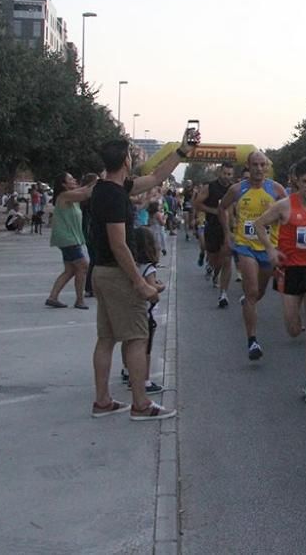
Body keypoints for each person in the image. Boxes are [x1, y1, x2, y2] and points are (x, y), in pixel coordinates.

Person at [88, 128, 197, 421]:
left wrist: (182, 151)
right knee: (137, 338)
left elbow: (156, 177)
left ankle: (102, 401)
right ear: (125, 159)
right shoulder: (113, 195)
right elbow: (119, 243)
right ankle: (141, 404)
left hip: (101, 271)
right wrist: (139, 281)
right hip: (117, 275)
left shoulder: (107, 188)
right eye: (131, 155)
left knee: (106, 338)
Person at [255, 156, 306, 401]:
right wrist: (270, 250)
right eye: (305, 181)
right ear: (297, 182)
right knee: (293, 329)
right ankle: (301, 324)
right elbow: (258, 224)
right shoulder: (285, 206)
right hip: (289, 272)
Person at [218, 151, 287, 360]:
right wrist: (228, 233)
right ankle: (252, 341)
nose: (258, 169)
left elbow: (288, 213)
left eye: (262, 165)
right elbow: (222, 208)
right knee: (252, 291)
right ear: (248, 166)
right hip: (245, 245)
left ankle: (248, 301)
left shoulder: (276, 189)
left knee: (258, 294)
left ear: (266, 167)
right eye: (254, 165)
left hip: (267, 248)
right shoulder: (237, 189)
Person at [119, 226, 166, 395]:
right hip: (145, 312)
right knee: (145, 348)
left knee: (128, 342)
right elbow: (151, 290)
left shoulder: (130, 266)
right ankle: (143, 380)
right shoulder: (149, 268)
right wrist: (160, 288)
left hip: (128, 308)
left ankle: (126, 369)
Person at [45, 172, 98, 310]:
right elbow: (85, 194)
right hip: (67, 238)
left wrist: (94, 183)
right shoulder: (64, 196)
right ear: (63, 184)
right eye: (70, 179)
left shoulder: (71, 195)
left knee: (70, 270)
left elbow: (83, 189)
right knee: (83, 267)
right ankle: (79, 300)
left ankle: (53, 297)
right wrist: (99, 184)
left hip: (70, 238)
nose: (74, 180)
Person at [194, 163, 236, 308]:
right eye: (225, 173)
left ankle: (223, 293)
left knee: (227, 260)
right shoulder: (210, 187)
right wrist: (213, 211)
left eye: (230, 174)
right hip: (212, 227)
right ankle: (212, 268)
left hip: (229, 229)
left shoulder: (234, 189)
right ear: (220, 172)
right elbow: (197, 203)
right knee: (214, 258)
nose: (227, 177)